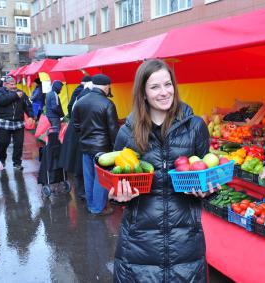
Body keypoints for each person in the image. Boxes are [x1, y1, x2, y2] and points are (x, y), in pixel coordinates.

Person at [108, 59, 217, 282]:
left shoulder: (195, 127)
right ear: (143, 93)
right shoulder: (127, 133)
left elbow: (206, 172)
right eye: (155, 87)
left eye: (168, 84)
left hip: (185, 241)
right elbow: (116, 183)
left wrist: (209, 190)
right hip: (139, 244)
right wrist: (118, 197)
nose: (164, 92)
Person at [73, 74, 119, 215]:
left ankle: (91, 205)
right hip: (102, 148)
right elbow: (113, 130)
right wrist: (116, 149)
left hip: (85, 146)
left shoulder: (81, 101)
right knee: (101, 178)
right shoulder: (107, 103)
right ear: (106, 86)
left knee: (89, 177)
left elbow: (76, 125)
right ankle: (98, 208)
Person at [59, 76, 93, 200]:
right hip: (78, 134)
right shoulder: (86, 96)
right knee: (79, 165)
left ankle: (81, 192)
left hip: (75, 133)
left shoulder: (80, 92)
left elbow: (70, 108)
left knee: (77, 164)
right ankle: (81, 193)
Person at [0, 76, 33, 170]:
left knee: (19, 144)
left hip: (18, 122)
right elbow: (1, 101)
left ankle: (17, 162)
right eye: (11, 84)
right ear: (5, 84)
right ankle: (1, 160)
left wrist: (31, 116)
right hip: (5, 121)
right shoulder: (0, 92)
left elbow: (28, 105)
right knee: (3, 142)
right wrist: (15, 95)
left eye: (14, 84)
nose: (13, 86)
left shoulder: (21, 93)